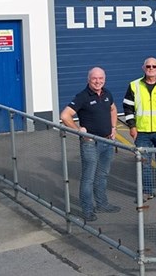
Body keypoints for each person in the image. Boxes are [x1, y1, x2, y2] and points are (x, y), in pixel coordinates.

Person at [60, 66, 121, 221]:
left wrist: (113, 128)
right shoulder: (82, 96)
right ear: (88, 79)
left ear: (104, 79)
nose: (97, 81)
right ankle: (87, 209)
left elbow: (113, 110)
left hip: (107, 141)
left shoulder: (107, 94)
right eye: (94, 78)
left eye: (100, 78)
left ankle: (102, 204)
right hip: (90, 143)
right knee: (88, 178)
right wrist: (79, 131)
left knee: (103, 175)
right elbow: (65, 115)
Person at [122, 57, 156, 202]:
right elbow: (127, 107)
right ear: (143, 68)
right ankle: (146, 192)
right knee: (144, 163)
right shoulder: (134, 85)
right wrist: (132, 126)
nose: (151, 69)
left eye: (154, 66)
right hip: (142, 132)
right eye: (148, 66)